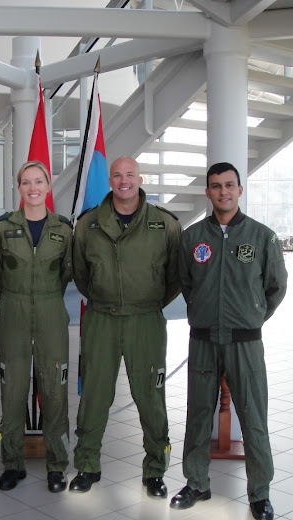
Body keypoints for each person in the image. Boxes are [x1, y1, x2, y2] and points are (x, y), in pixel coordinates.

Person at [171, 162, 287, 520]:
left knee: (253, 416)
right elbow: (186, 283)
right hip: (204, 339)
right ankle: (196, 483)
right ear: (208, 192)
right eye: (216, 186)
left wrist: (251, 316)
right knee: (198, 414)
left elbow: (275, 287)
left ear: (239, 190)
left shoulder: (261, 237)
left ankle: (260, 494)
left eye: (229, 185)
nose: (223, 191)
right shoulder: (192, 239)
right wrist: (206, 312)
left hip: (245, 344)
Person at [70, 156, 182, 498]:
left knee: (151, 396)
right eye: (117, 175)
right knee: (94, 395)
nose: (123, 181)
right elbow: (81, 274)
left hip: (146, 320)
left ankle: (155, 471)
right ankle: (87, 465)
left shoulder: (165, 224)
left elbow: (175, 277)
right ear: (110, 180)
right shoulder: (88, 225)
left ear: (139, 178)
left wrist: (146, 303)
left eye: (129, 174)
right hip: (101, 318)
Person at [0, 161, 73, 493]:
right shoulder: (1, 229)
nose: (33, 188)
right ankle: (12, 463)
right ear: (18, 186)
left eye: (39, 181)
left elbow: (67, 272)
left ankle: (56, 464)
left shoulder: (64, 229)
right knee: (12, 392)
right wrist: (18, 298)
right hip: (14, 312)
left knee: (55, 390)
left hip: (52, 312)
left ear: (48, 186)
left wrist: (46, 297)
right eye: (26, 182)